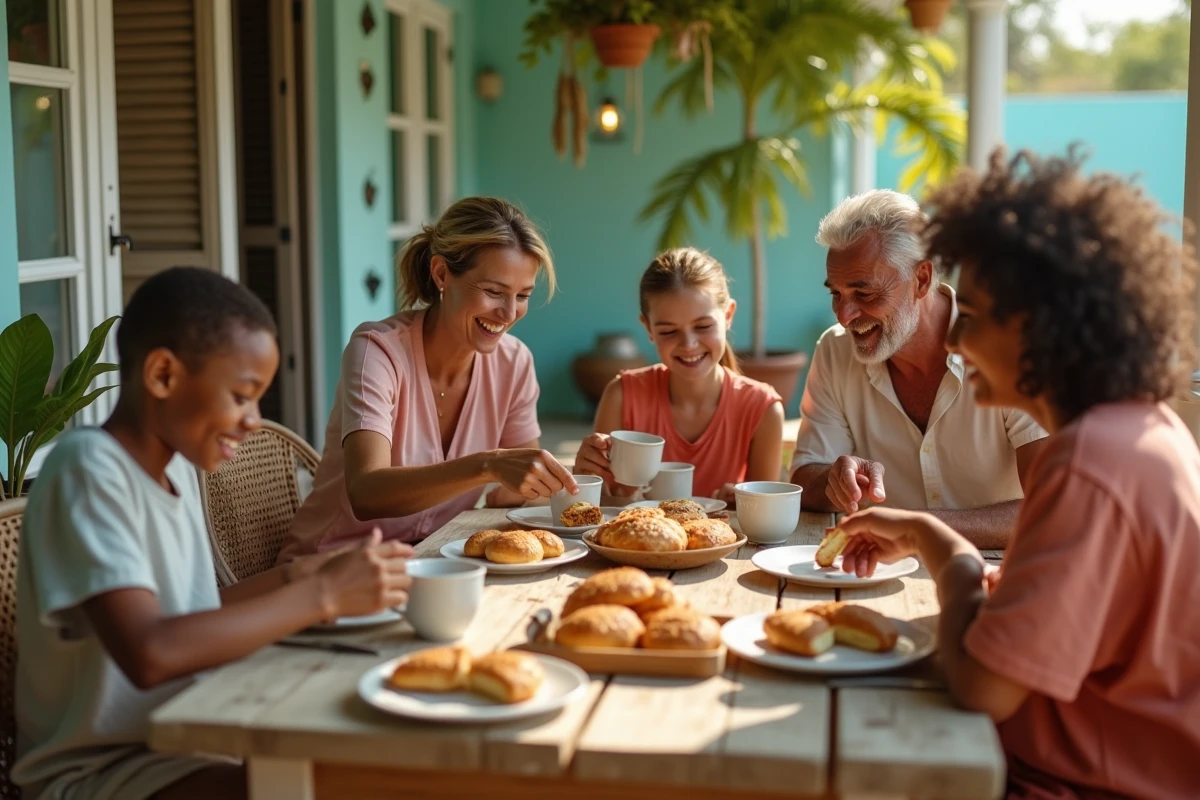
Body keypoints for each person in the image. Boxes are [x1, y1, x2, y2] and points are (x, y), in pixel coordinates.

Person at [837, 150, 1200, 798]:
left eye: (970, 317)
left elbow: (982, 687)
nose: (951, 341)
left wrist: (938, 545)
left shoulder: (1088, 462)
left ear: (1036, 326)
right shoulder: (1142, 428)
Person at [13, 267, 413, 800]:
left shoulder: (175, 464)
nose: (253, 420)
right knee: (344, 782)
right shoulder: (87, 469)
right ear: (162, 375)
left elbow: (188, 616)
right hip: (104, 772)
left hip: (192, 732)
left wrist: (299, 575)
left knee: (377, 752)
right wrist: (321, 596)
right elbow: (149, 651)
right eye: (242, 395)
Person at [279, 197, 576, 562]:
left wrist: (565, 479)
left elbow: (516, 493)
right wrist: (488, 465)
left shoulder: (514, 362)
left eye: (523, 295)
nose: (509, 312)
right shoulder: (377, 352)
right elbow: (365, 492)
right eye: (494, 292)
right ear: (441, 274)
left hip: (435, 565)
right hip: (331, 569)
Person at [790, 189, 1047, 548]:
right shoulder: (834, 350)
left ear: (922, 279)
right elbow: (804, 477)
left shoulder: (1008, 348)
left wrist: (916, 527)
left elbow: (1053, 509)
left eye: (864, 294)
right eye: (836, 293)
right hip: (877, 572)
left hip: (998, 576)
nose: (844, 315)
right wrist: (833, 479)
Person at [574, 247, 784, 501]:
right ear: (648, 329)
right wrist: (584, 477)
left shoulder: (762, 408)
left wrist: (743, 504)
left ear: (728, 315)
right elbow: (597, 506)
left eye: (703, 326)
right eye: (668, 331)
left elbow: (765, 521)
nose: (689, 344)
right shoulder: (622, 395)